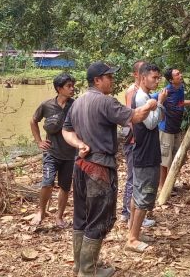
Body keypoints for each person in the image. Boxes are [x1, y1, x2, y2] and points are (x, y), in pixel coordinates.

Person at [62, 62, 157, 277]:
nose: (112, 81)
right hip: (99, 168)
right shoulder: (105, 102)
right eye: (109, 77)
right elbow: (136, 116)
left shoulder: (76, 103)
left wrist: (79, 144)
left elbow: (66, 131)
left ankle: (81, 265)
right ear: (97, 80)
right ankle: (88, 270)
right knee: (98, 218)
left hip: (80, 166)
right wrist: (152, 104)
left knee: (81, 217)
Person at [125, 63, 165, 253]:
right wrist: (161, 104)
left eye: (158, 78)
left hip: (144, 151)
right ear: (142, 78)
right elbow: (150, 123)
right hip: (145, 153)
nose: (157, 81)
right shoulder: (142, 97)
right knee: (144, 195)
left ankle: (133, 232)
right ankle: (132, 239)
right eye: (154, 78)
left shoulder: (145, 96)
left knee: (137, 194)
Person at [29, 73, 77, 227]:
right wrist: (39, 141)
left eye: (72, 86)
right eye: (68, 86)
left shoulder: (75, 105)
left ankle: (59, 216)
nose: (72, 89)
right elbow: (33, 121)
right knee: (47, 183)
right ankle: (41, 211)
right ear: (59, 89)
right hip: (51, 152)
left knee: (65, 186)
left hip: (69, 154)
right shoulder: (47, 105)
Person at [157, 67, 190, 190]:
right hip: (166, 129)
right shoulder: (166, 91)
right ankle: (162, 187)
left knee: (176, 158)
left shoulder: (180, 89)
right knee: (164, 160)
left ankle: (170, 184)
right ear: (171, 80)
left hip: (176, 129)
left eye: (180, 73)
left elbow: (181, 102)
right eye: (177, 75)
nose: (180, 75)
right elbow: (153, 99)